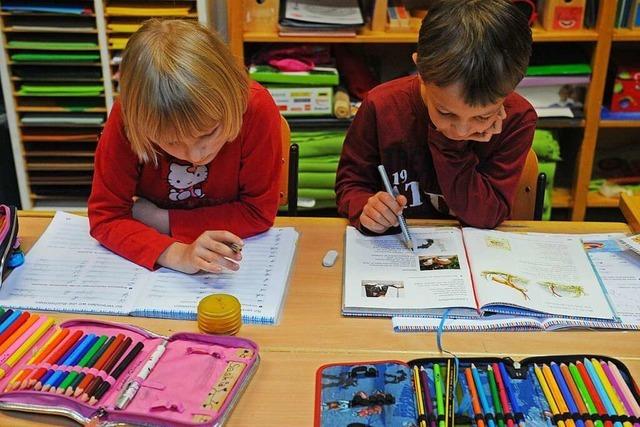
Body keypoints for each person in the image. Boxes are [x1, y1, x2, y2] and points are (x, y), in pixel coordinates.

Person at [88, 19, 282, 274]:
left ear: (233, 100)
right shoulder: (129, 118)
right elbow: (106, 217)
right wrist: (176, 253)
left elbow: (258, 213)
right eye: (171, 142)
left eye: (209, 133)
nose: (196, 156)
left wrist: (161, 220)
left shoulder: (256, 109)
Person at [335, 0, 536, 233]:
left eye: (483, 117)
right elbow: (351, 185)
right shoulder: (381, 105)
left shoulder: (517, 118)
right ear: (420, 70)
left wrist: (451, 147)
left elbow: (487, 215)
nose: (461, 131)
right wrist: (366, 209)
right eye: (445, 112)